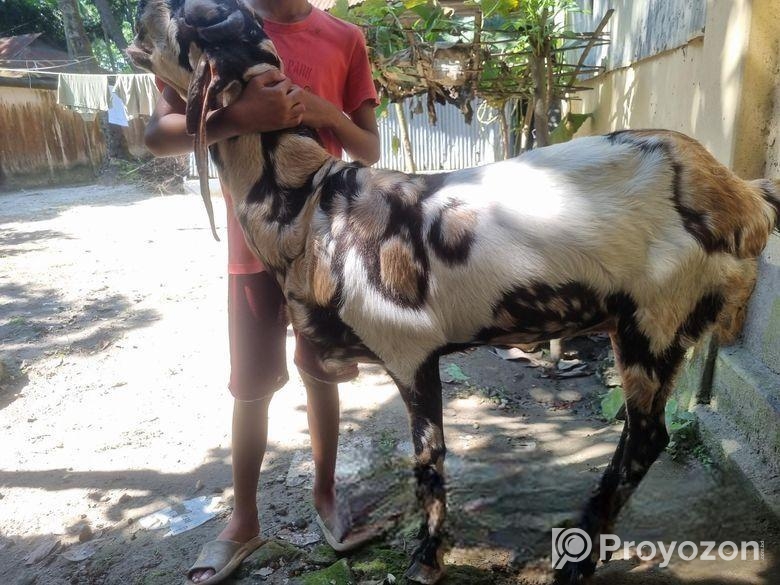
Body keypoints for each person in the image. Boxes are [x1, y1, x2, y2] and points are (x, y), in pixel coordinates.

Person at [144, 1, 380, 583]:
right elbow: (157, 135)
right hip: (252, 249)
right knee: (250, 385)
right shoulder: (208, 26)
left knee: (322, 371)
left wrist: (325, 111)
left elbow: (368, 149)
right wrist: (240, 117)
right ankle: (243, 521)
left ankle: (326, 494)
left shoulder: (344, 38)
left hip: (324, 244)